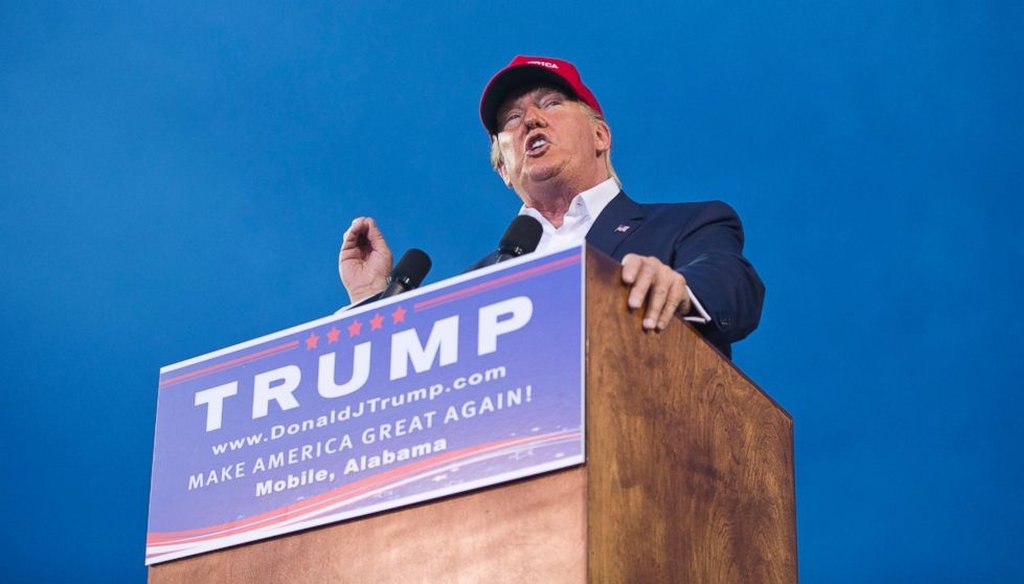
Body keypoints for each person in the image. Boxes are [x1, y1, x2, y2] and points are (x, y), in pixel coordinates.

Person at [340, 56, 764, 357]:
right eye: (511, 119)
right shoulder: (473, 285)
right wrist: (371, 304)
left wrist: (678, 288)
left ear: (601, 136)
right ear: (503, 169)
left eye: (551, 103)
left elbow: (730, 282)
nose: (530, 120)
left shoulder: (688, 224)